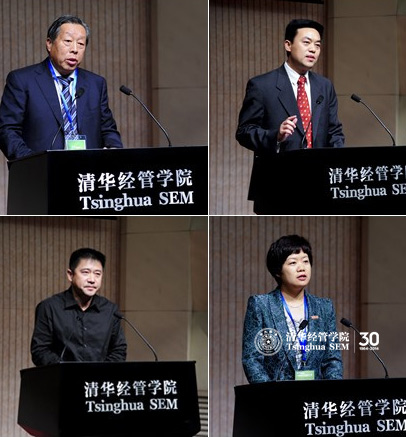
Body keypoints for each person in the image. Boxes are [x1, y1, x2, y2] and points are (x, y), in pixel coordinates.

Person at [235, 19, 344, 210]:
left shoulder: (325, 86)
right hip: (276, 187)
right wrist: (275, 136)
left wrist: (336, 166)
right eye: (306, 42)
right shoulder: (262, 85)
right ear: (288, 45)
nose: (313, 49)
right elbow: (244, 131)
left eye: (318, 45)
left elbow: (334, 131)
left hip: (318, 187)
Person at [0, 15, 123, 161]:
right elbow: (7, 130)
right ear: (49, 44)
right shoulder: (22, 80)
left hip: (87, 168)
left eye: (81, 44)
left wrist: (113, 151)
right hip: (41, 170)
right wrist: (31, 161)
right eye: (68, 41)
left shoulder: (95, 84)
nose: (75, 49)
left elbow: (108, 129)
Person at [242, 235, 343, 383]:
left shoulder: (324, 307)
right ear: (278, 271)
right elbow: (252, 359)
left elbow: (332, 359)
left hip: (316, 395)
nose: (301, 268)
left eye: (306, 261)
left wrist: (331, 392)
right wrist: (269, 392)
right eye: (293, 262)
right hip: (275, 394)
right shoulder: (261, 305)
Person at [31, 248, 127, 366]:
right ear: (70, 275)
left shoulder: (110, 310)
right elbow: (40, 350)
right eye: (85, 272)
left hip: (99, 377)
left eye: (97, 274)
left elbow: (119, 350)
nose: (92, 280)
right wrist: (68, 371)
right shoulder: (49, 307)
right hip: (61, 376)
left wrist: (99, 372)